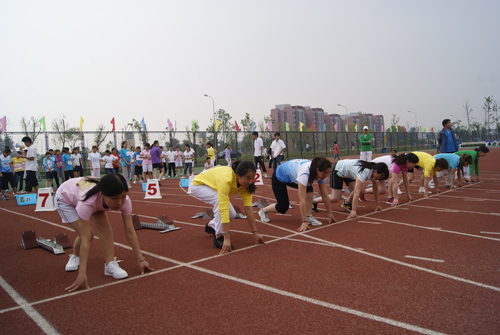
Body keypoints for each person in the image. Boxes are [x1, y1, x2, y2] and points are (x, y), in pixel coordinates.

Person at [54, 174, 153, 292]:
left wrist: (141, 259)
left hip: (89, 196)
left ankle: (109, 264)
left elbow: (130, 230)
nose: (119, 203)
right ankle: (75, 256)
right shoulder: (87, 202)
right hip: (65, 198)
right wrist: (82, 274)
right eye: (114, 199)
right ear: (103, 195)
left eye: (122, 197)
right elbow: (85, 240)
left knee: (105, 229)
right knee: (88, 235)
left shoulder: (124, 200)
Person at [189, 161, 265, 254]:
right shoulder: (226, 180)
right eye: (247, 178)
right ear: (238, 176)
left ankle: (212, 226)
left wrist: (255, 232)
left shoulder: (246, 186)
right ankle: (218, 237)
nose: (250, 181)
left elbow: (248, 208)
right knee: (219, 201)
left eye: (252, 178)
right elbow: (223, 208)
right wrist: (226, 238)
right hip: (199, 184)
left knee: (232, 214)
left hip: (213, 183)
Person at [259, 158, 335, 232]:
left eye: (328, 173)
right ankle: (263, 210)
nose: (326, 175)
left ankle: (308, 215)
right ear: (317, 170)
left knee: (309, 189)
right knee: (283, 207)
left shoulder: (321, 173)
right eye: (325, 173)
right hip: (279, 176)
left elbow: (324, 195)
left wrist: (330, 214)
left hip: (292, 175)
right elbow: (301, 199)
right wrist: (304, 221)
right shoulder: (304, 174)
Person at [313, 159, 389, 219]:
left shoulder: (374, 173)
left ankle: (347, 203)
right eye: (381, 176)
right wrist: (354, 210)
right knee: (335, 198)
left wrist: (377, 205)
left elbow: (375, 189)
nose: (381, 179)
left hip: (348, 174)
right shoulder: (364, 171)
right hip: (338, 170)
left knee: (362, 190)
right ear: (375, 171)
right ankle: (313, 201)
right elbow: (356, 191)